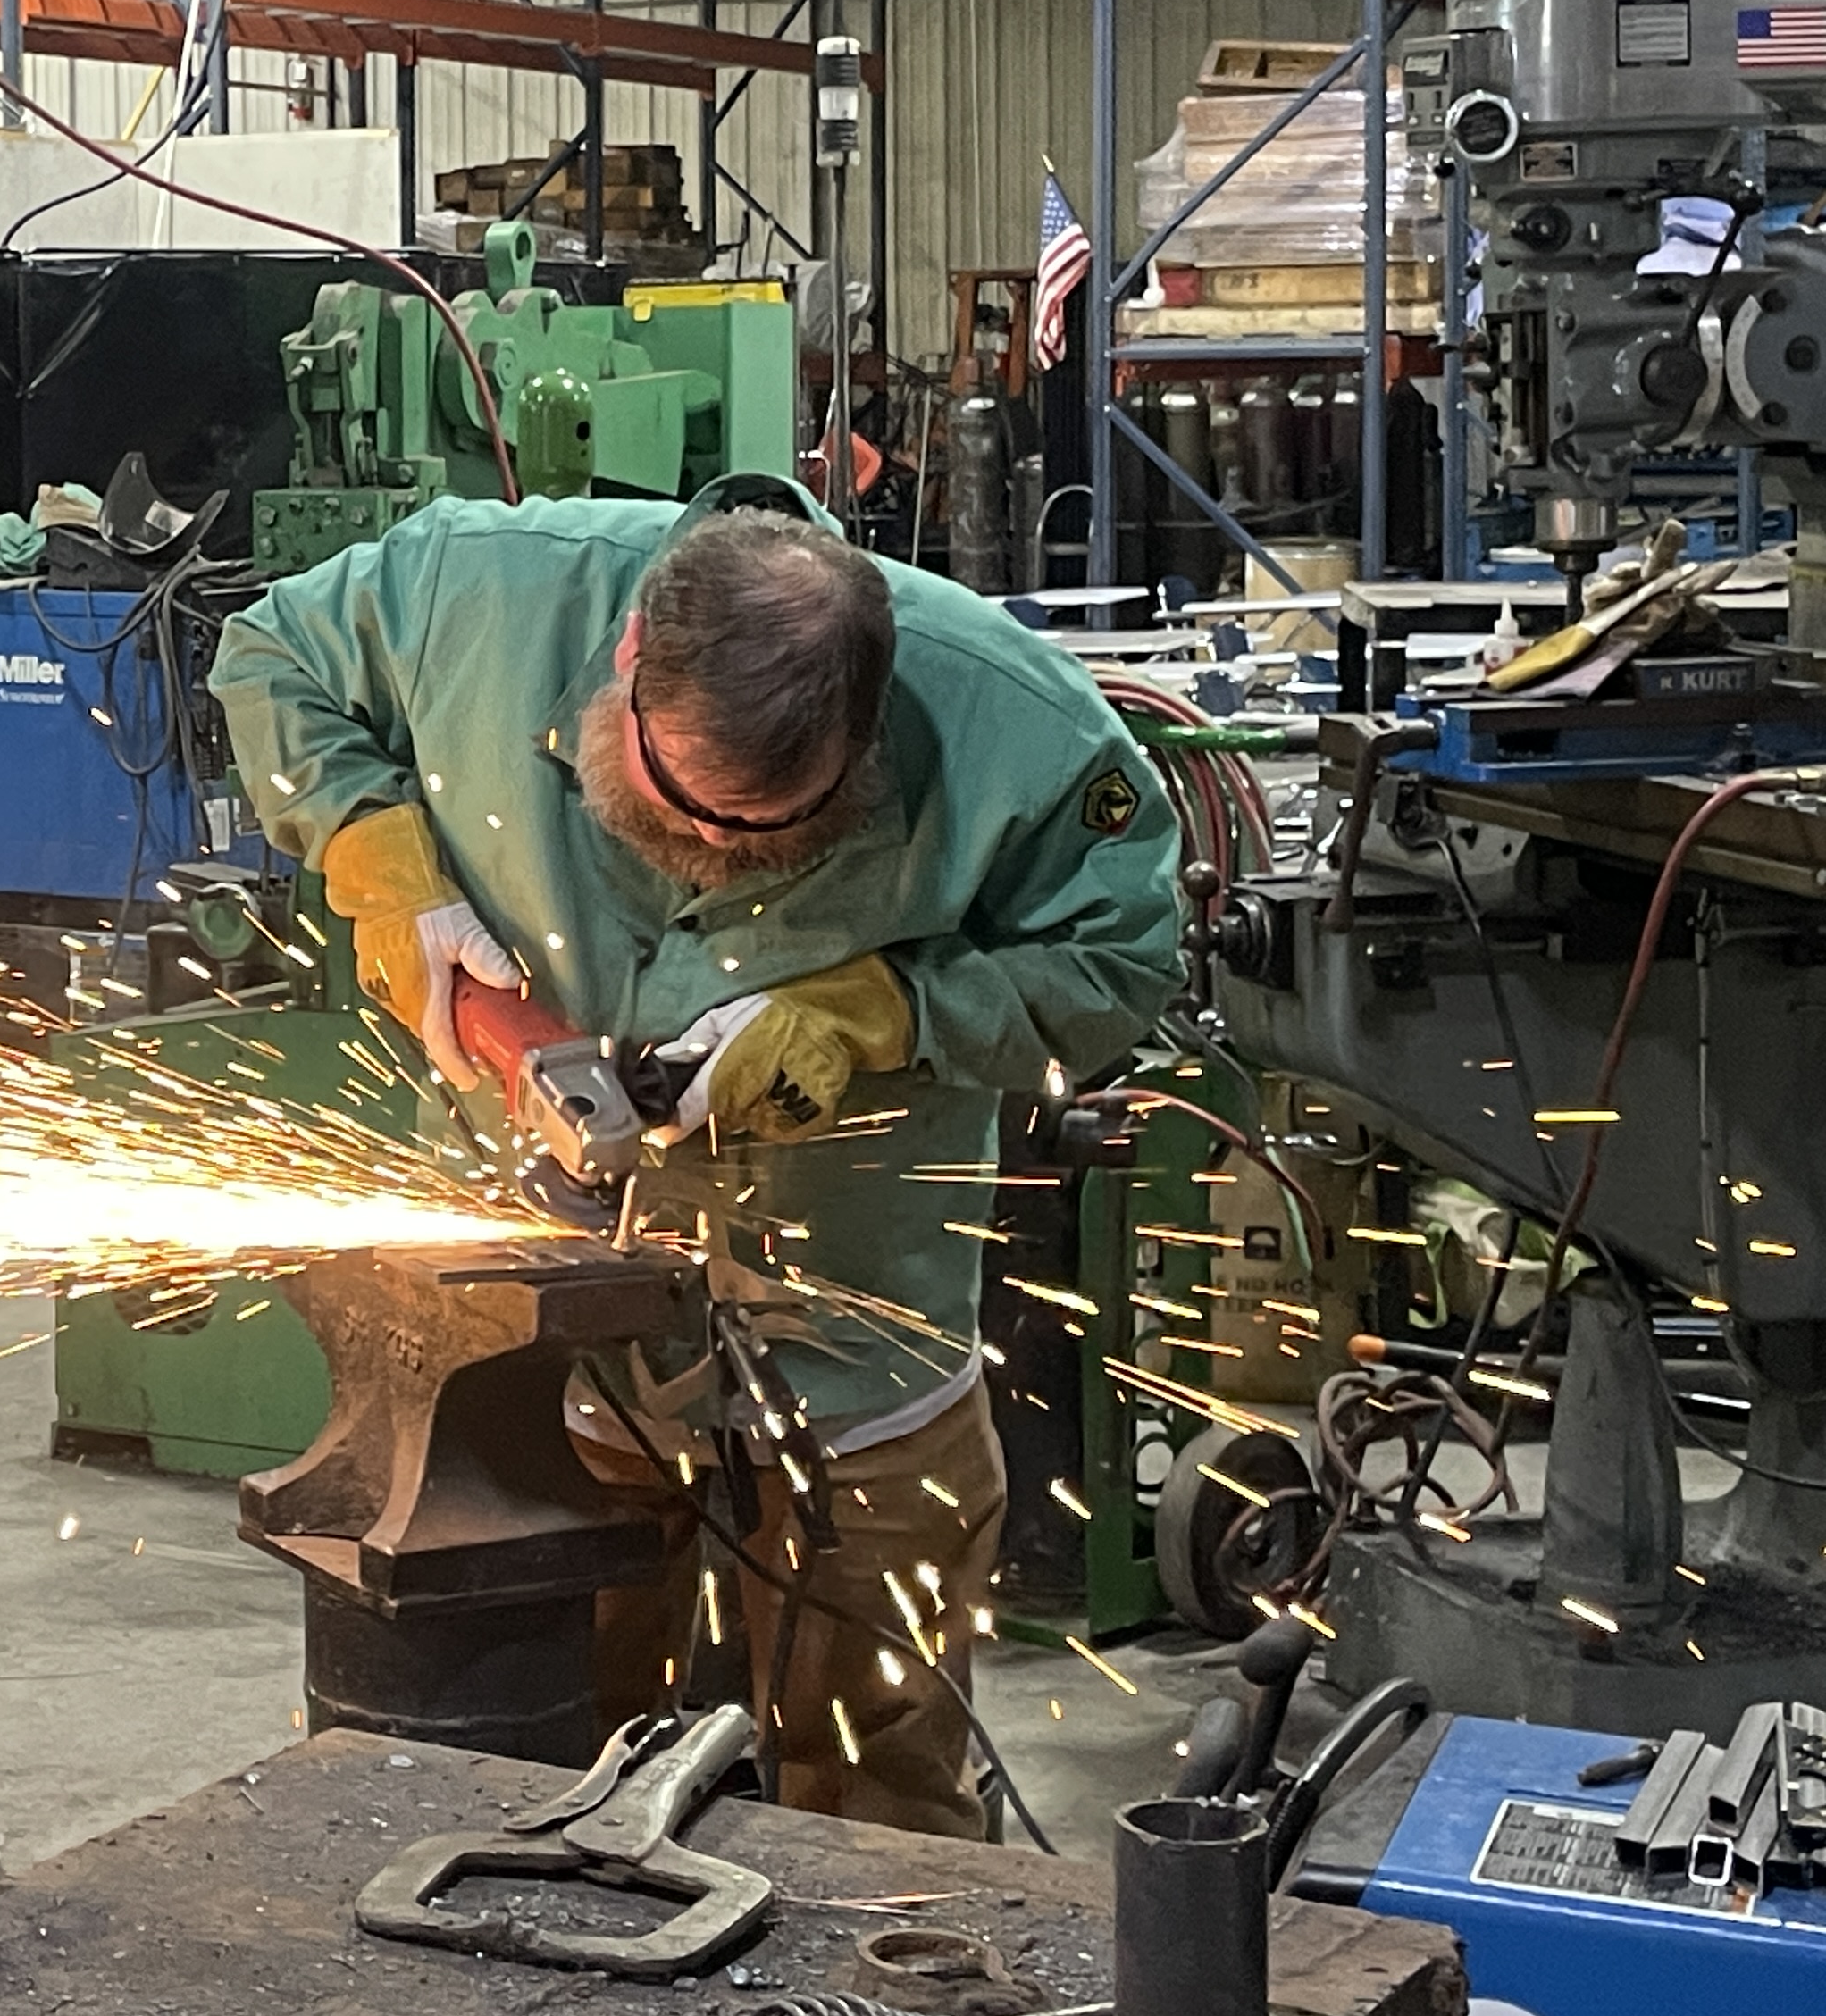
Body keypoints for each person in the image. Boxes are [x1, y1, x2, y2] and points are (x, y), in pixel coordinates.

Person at [212, 478, 1179, 1835]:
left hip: (864, 1335)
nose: (716, 856)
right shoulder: (475, 595)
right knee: (563, 1770)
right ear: (622, 666)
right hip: (556, 1337)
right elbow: (268, 655)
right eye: (681, 808)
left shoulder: (1020, 729)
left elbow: (1125, 967)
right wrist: (393, 877)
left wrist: (878, 1011)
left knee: (880, 1784)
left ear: (866, 731)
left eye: (769, 835)